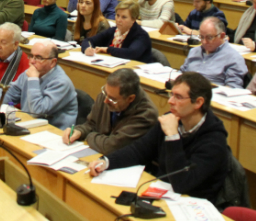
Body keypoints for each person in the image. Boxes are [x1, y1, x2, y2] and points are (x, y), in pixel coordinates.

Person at [88, 72, 229, 204]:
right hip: (164, 192)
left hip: (193, 203)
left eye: (178, 97)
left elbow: (183, 183)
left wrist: (173, 136)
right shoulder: (171, 120)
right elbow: (139, 151)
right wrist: (106, 162)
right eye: (171, 94)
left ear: (198, 103)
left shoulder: (214, 140)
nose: (170, 101)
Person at [63, 68, 158, 154]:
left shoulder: (146, 115)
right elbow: (92, 124)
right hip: (98, 154)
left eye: (112, 99)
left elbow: (111, 147)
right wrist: (80, 131)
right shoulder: (108, 93)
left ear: (130, 98)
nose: (105, 101)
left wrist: (89, 136)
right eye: (105, 92)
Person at [0, 43, 77, 130]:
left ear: (52, 62)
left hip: (53, 132)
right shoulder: (30, 73)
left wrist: (33, 80)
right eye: (31, 56)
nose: (32, 61)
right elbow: (11, 92)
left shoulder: (61, 82)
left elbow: (37, 111)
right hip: (29, 124)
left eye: (39, 58)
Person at [180, 17, 248, 88]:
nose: (204, 42)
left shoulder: (233, 58)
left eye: (209, 38)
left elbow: (232, 88)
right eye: (202, 37)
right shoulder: (194, 51)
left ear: (222, 36)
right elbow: (181, 74)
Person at [82, 0, 153, 63]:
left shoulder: (141, 35)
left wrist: (108, 49)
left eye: (124, 17)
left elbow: (131, 53)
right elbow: (88, 40)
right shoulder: (113, 30)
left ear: (134, 19)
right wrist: (87, 48)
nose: (118, 20)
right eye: (117, 15)